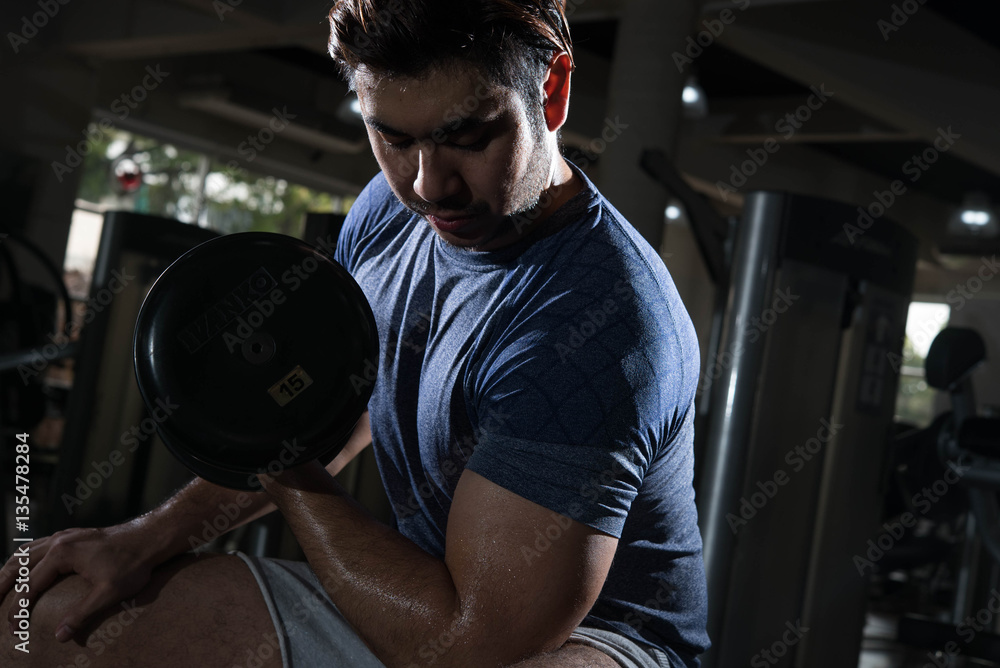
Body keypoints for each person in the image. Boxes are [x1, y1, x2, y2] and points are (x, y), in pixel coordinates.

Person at [0, 1, 709, 666]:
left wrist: (273, 448)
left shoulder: (601, 323)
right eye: (393, 137)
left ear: (551, 93)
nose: (430, 184)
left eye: (467, 136)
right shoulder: (390, 212)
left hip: (590, 641)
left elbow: (472, 643)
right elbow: (330, 416)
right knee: (42, 627)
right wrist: (142, 539)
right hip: (442, 597)